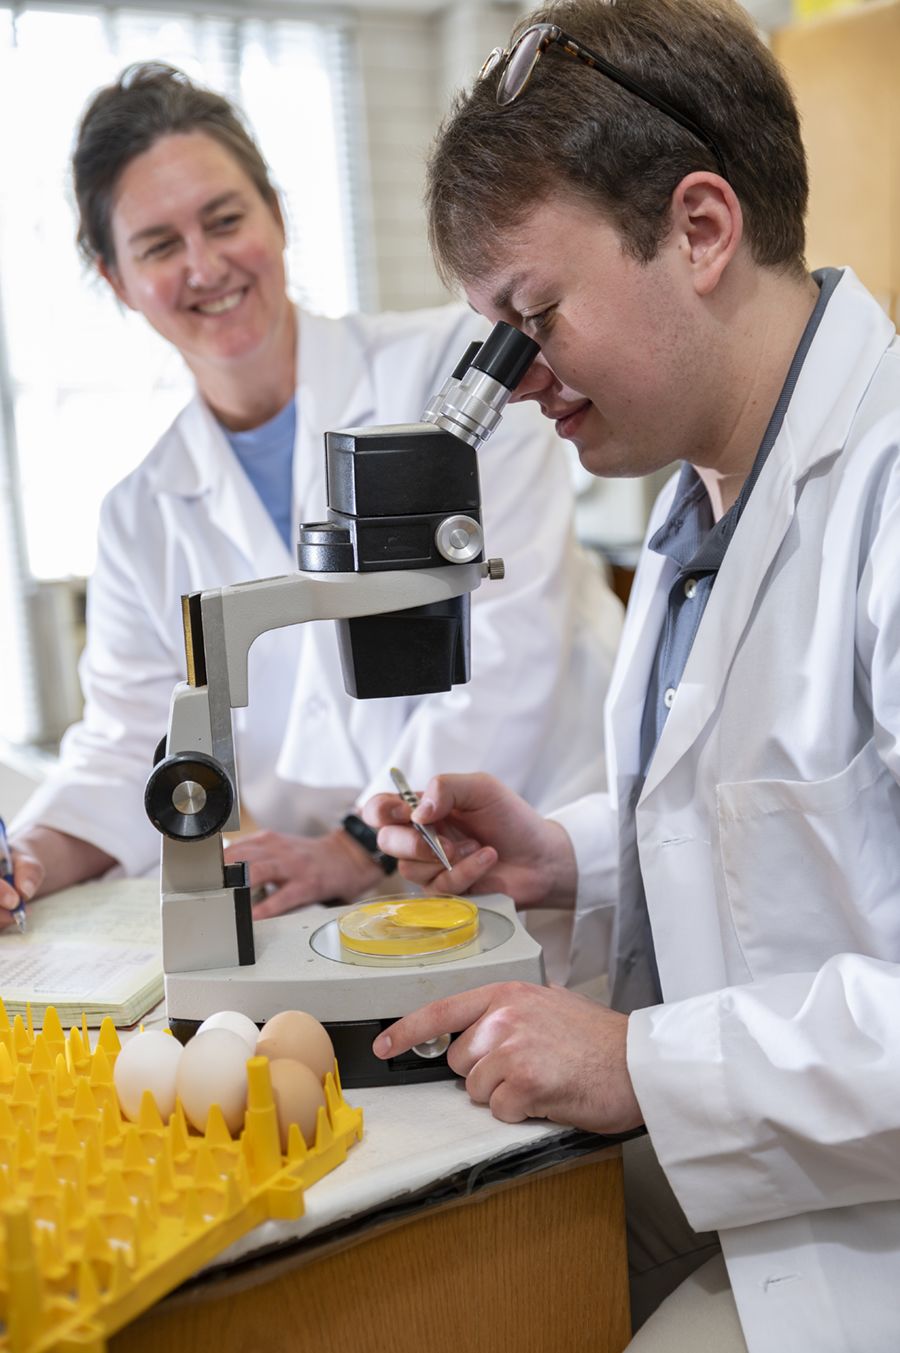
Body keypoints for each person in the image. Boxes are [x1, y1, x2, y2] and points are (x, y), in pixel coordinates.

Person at [361, 2, 900, 1350]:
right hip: (770, 1151)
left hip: (864, 1216)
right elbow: (798, 833)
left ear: (702, 229)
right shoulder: (700, 504)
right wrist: (572, 857)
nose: (517, 378)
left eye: (534, 314)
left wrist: (632, 1061)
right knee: (418, 1275)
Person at [1, 63, 621, 933]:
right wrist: (24, 858)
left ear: (277, 215)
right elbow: (128, 741)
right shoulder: (140, 512)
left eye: (225, 221)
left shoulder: (462, 373)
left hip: (547, 866)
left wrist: (356, 843)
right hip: (327, 916)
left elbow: (516, 644)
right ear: (116, 280)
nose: (206, 265)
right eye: (159, 245)